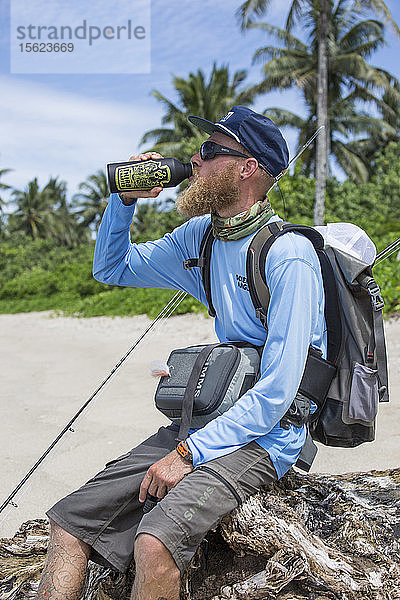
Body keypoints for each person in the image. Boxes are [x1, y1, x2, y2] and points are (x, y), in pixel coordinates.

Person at [36, 106, 326, 600]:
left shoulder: (288, 255)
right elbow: (113, 268)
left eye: (212, 150)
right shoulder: (202, 239)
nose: (195, 159)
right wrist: (123, 199)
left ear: (248, 168)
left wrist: (187, 454)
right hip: (206, 418)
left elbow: (278, 392)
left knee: (155, 544)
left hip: (267, 436)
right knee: (69, 522)